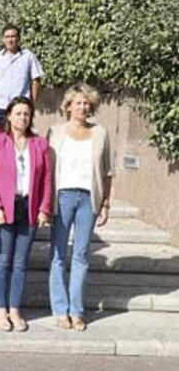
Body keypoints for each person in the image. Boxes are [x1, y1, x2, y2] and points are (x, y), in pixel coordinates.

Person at [48, 83, 113, 332]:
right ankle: (60, 308)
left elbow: (108, 172)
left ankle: (76, 310)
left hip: (88, 198)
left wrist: (105, 202)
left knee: (82, 255)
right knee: (58, 254)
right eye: (78, 103)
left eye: (87, 103)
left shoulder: (100, 133)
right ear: (68, 106)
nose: (83, 107)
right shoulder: (55, 132)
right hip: (62, 197)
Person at [0, 96, 52, 332]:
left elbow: (46, 178)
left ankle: (15, 309)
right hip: (5, 207)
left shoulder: (40, 144)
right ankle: (0, 310)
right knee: (3, 260)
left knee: (20, 262)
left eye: (26, 114)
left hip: (30, 207)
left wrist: (45, 208)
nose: (22, 118)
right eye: (18, 113)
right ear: (8, 116)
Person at [0, 24, 44, 125]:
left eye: (13, 36)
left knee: (19, 136)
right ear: (3, 39)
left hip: (19, 107)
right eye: (7, 37)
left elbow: (36, 80)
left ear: (18, 38)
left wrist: (32, 103)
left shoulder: (28, 56)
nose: (10, 40)